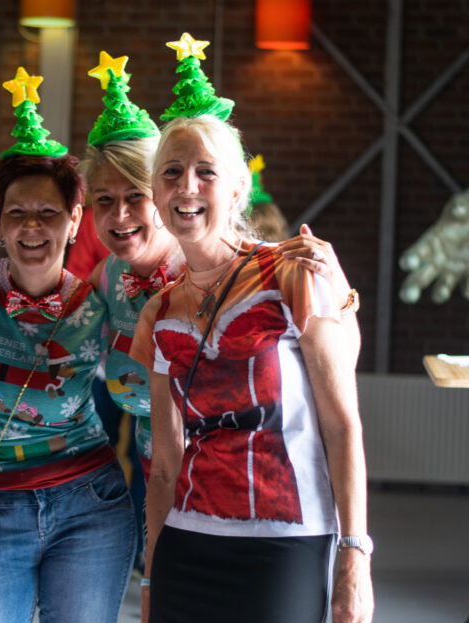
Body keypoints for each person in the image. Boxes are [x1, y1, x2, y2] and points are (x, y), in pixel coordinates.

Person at [131, 34, 373, 623]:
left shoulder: (290, 276)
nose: (187, 186)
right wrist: (151, 585)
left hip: (285, 545)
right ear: (155, 192)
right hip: (187, 546)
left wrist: (355, 553)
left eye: (205, 171)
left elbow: (341, 423)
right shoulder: (160, 313)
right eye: (171, 172)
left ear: (238, 187)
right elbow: (164, 465)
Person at [80, 51, 361, 575]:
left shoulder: (221, 270)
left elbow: (336, 387)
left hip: (264, 499)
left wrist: (341, 296)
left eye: (134, 196)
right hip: (165, 475)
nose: (119, 215)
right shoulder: (109, 279)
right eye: (103, 200)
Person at [0, 68, 135, 623]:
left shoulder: (101, 301)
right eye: (18, 214)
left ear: (75, 220)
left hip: (89, 501)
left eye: (49, 214)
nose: (33, 228)